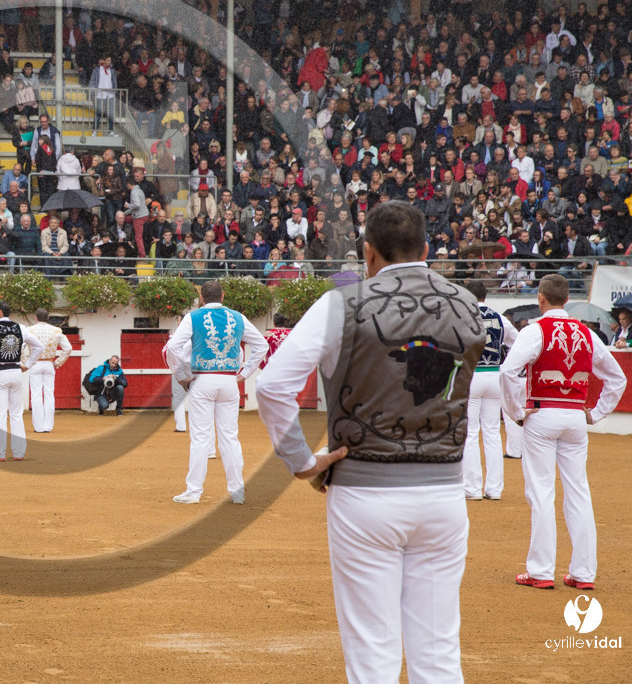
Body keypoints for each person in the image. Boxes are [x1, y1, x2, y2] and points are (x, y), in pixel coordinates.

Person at [255, 201, 487, 684]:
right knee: (439, 651)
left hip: (364, 490)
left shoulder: (341, 303)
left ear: (369, 253)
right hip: (445, 492)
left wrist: (302, 462)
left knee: (373, 653)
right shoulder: (467, 304)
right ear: (426, 249)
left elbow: (272, 386)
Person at [500, 274, 627, 590]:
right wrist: (595, 413)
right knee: (579, 491)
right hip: (574, 417)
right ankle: (583, 573)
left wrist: (517, 411)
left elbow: (508, 371)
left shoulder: (535, 331)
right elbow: (617, 378)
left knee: (541, 491)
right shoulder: (587, 333)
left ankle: (541, 571)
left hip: (542, 414)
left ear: (541, 298)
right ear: (567, 299)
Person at [164, 279, 269, 505]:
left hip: (202, 379)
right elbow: (262, 345)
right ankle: (237, 491)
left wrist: (182, 373)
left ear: (201, 298)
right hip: (230, 381)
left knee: (201, 438)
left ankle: (194, 492)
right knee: (230, 437)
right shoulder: (237, 317)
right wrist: (245, 373)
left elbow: (172, 347)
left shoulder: (193, 317)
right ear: (222, 297)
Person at [462, 281, 518, 500]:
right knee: (493, 433)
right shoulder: (501, 319)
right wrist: (506, 365)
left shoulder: (463, 316)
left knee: (470, 434)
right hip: (494, 375)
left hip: (472, 376)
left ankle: (472, 488)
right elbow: (518, 343)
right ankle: (494, 489)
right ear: (485, 295)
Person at [0, 300, 43, 461]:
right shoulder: (21, 328)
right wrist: (27, 365)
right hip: (16, 372)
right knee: (16, 414)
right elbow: (39, 347)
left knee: (0, 414)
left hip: (0, 373)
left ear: (0, 313)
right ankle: (19, 453)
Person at [24, 308, 73, 433]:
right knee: (49, 394)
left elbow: (20, 349)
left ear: (36, 318)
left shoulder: (29, 330)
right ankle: (48, 426)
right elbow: (68, 348)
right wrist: (58, 362)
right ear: (48, 318)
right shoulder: (56, 330)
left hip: (35, 363)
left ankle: (38, 427)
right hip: (49, 363)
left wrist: (27, 363)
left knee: (36, 395)